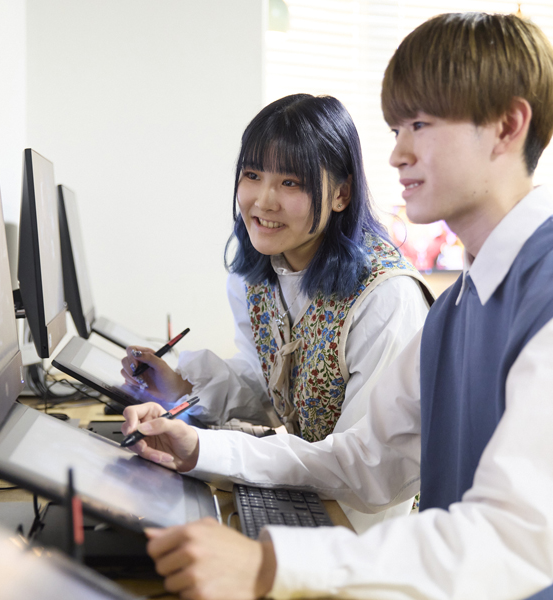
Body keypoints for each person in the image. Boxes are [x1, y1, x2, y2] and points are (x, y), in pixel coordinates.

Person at [121, 11, 553, 600]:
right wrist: (202, 447)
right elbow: (361, 460)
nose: (397, 153)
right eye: (397, 128)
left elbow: (514, 538)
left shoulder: (537, 293)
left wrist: (274, 567)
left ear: (507, 126)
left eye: (420, 124)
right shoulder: (457, 308)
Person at [122, 94, 431, 531]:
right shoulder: (261, 273)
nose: (263, 201)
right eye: (252, 175)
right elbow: (264, 380)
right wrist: (180, 389)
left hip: (367, 529)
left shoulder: (385, 300)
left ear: (341, 194)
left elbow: (369, 466)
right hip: (307, 497)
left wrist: (206, 450)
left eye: (291, 183)